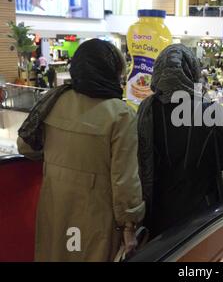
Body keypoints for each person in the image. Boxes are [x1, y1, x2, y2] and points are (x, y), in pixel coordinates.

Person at [17, 39, 145, 261]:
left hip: (55, 209)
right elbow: (124, 181)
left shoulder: (54, 100)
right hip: (93, 217)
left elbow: (25, 145)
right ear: (112, 72)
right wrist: (129, 227)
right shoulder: (120, 115)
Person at [137, 44, 223, 239]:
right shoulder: (209, 110)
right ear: (192, 71)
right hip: (201, 214)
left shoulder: (146, 109)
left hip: (157, 213)